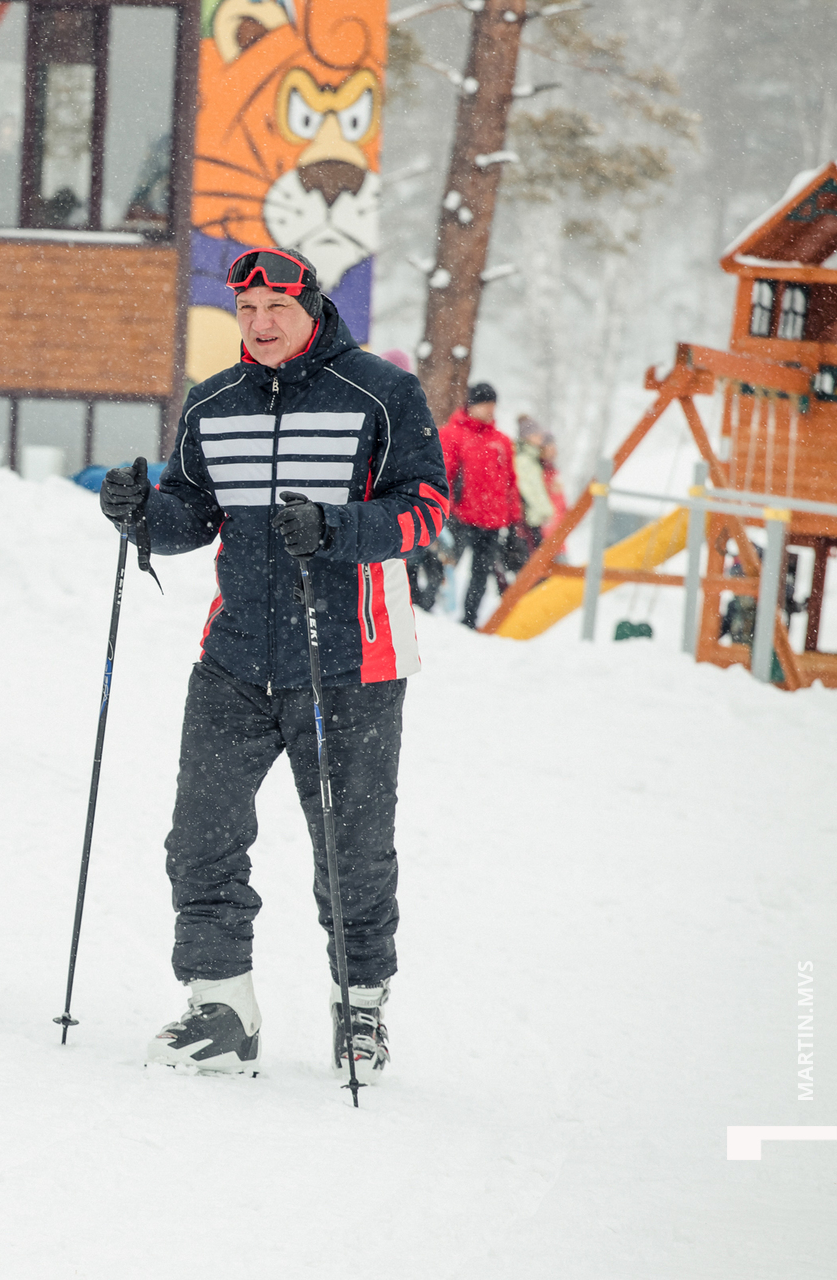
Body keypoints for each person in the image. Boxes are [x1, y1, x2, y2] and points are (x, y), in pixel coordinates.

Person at [98, 247, 447, 1082]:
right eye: (247, 310)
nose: (259, 324)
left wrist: (336, 528)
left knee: (352, 847)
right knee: (202, 836)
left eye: (276, 309)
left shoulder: (382, 393)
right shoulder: (213, 401)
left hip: (354, 659)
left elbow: (427, 508)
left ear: (312, 309)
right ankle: (221, 1008)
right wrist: (142, 515)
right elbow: (193, 513)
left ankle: (361, 1006)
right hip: (236, 658)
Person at [438, 382, 524, 630]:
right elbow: (444, 475)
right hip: (460, 516)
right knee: (446, 564)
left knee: (481, 574)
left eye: (493, 404)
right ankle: (430, 610)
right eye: (485, 404)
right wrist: (445, 508)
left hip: (492, 521)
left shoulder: (502, 441)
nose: (490, 409)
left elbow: (510, 482)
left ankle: (470, 619)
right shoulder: (451, 435)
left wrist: (514, 518)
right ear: (471, 405)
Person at [513, 414, 567, 551]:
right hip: (534, 521)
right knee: (534, 559)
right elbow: (532, 491)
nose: (540, 437)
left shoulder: (535, 461)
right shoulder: (526, 461)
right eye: (537, 434)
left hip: (540, 521)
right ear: (528, 436)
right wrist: (547, 512)